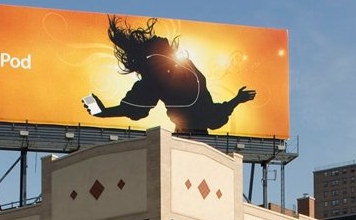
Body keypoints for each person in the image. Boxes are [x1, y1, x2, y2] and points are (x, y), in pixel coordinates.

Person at [82, 16, 257, 135]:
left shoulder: (185, 66)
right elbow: (135, 109)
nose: (163, 39)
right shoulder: (157, 77)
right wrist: (101, 112)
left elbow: (210, 114)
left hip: (202, 139)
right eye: (160, 42)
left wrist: (236, 100)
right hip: (183, 139)